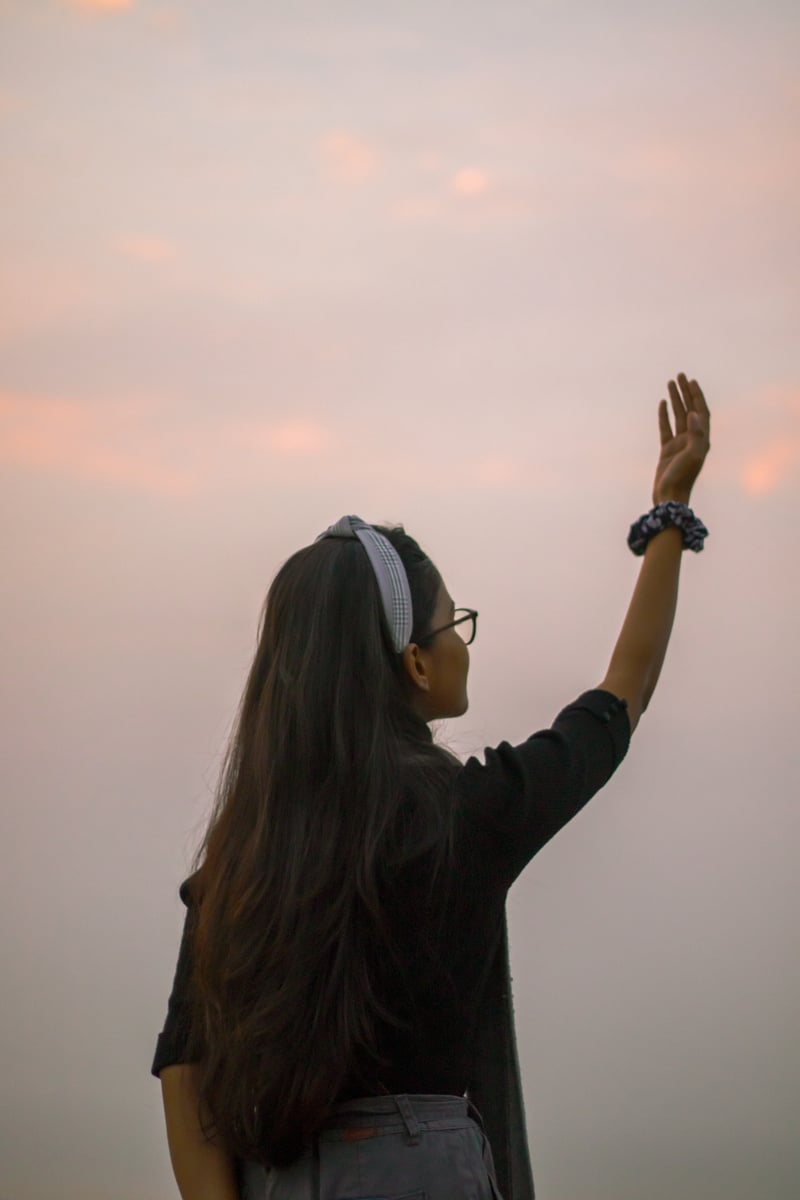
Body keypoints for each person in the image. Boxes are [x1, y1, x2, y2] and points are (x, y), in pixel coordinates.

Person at [152, 373, 711, 1200]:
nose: (462, 642)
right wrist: (670, 514)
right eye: (455, 623)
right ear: (414, 661)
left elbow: (185, 1070)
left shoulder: (244, 857)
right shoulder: (464, 816)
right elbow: (620, 698)